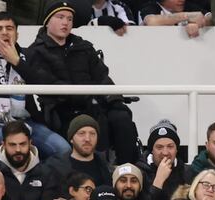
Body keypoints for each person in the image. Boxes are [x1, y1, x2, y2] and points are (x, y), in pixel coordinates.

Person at [27, 2, 139, 165]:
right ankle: (99, 171)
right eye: (60, 17)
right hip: (62, 110)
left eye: (70, 19)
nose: (65, 23)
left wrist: (115, 101)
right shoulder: (35, 51)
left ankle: (127, 171)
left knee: (121, 116)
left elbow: (102, 77)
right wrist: (88, 98)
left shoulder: (83, 47)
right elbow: (49, 84)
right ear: (47, 21)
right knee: (92, 122)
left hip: (92, 104)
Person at [0, 11, 69, 159]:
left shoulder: (31, 56)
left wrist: (18, 63)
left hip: (29, 123)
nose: (4, 32)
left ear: (17, 34)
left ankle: (43, 178)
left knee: (63, 149)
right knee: (15, 148)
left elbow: (47, 88)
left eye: (9, 28)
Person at [0, 120, 59, 200]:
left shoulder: (47, 173)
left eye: (22, 144)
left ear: (30, 143)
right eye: (12, 145)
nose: (18, 149)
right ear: (3, 145)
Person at [137, 120, 190, 200]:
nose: (165, 152)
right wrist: (158, 181)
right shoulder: (139, 172)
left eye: (170, 146)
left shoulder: (187, 172)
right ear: (151, 150)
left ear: (176, 149)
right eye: (159, 147)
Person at [45, 115, 111, 189]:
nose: (87, 139)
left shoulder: (104, 166)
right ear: (71, 139)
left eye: (92, 134)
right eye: (81, 133)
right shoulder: (56, 169)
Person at [140, 0, 207, 38]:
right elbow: (151, 21)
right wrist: (187, 16)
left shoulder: (189, 6)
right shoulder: (151, 6)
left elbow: (211, 17)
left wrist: (199, 22)